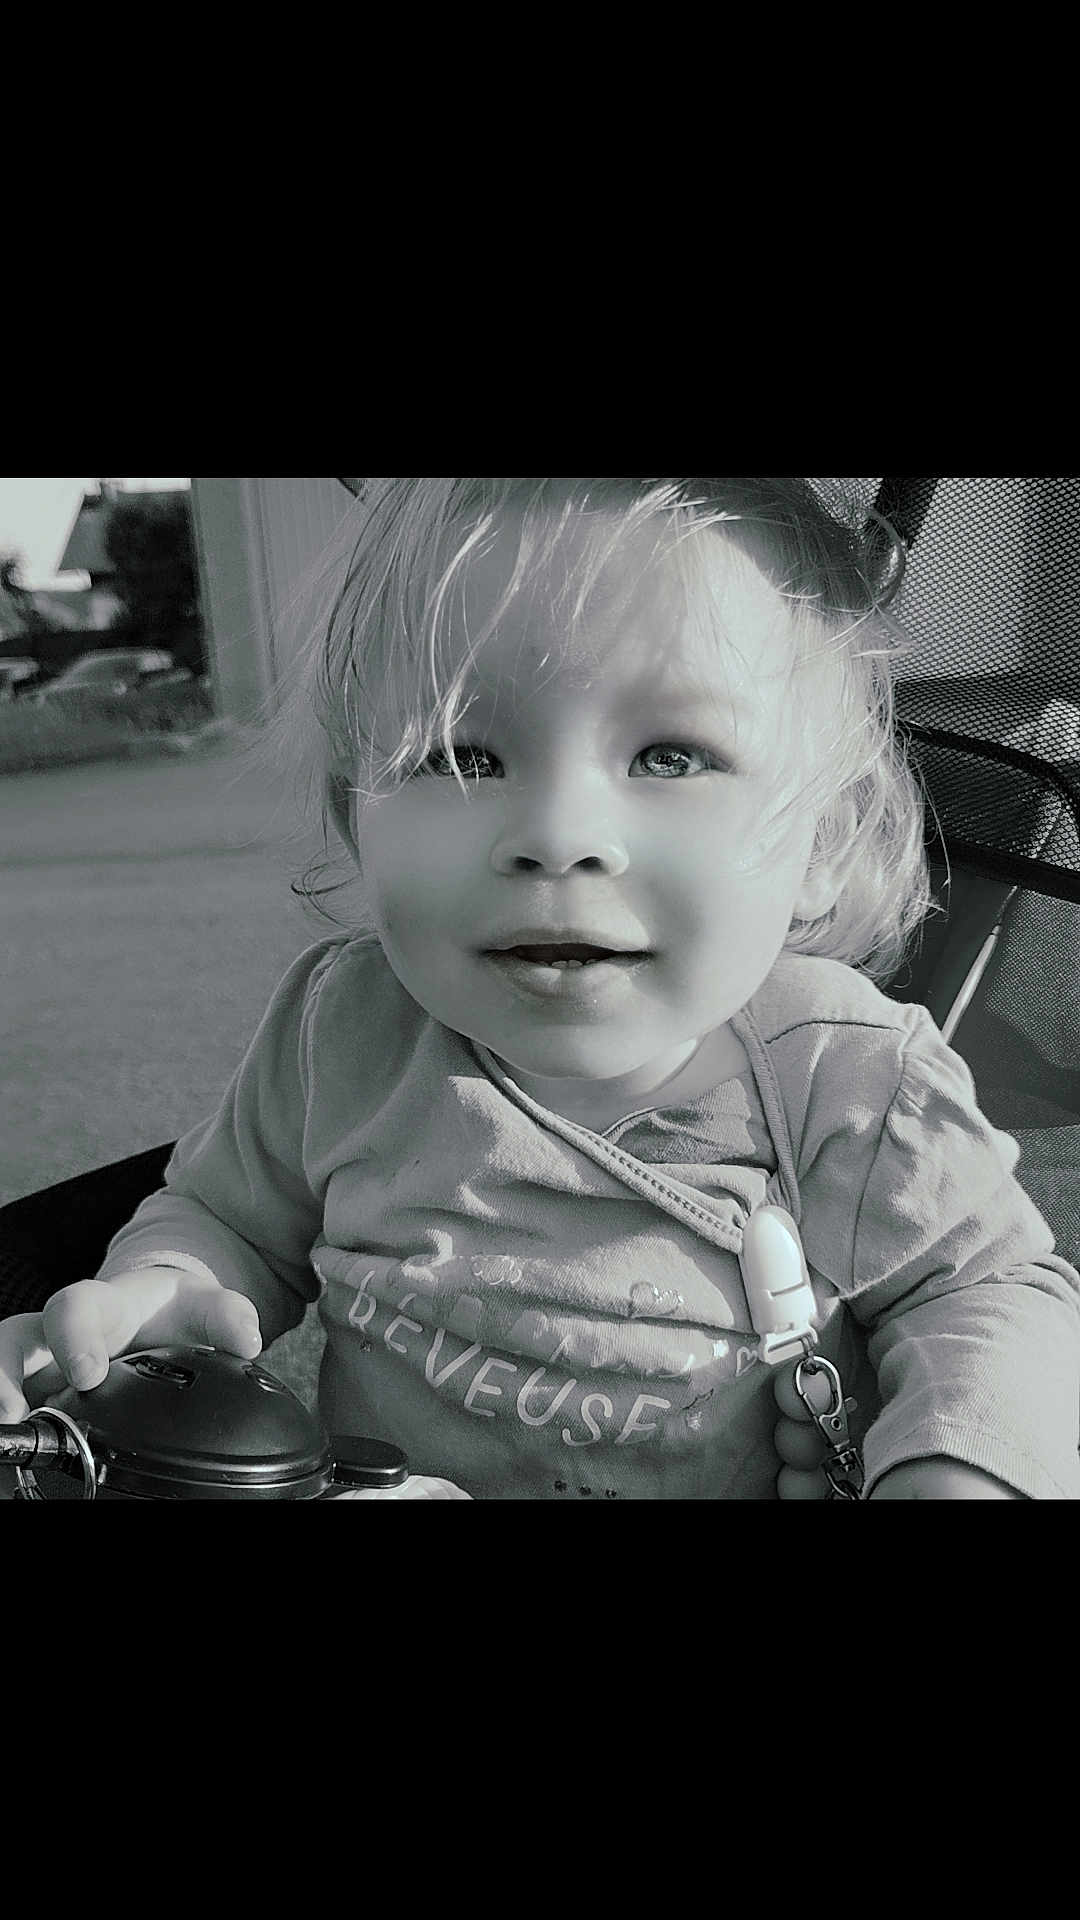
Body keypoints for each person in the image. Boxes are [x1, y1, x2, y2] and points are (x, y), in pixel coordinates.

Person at [3, 477, 1079, 1499]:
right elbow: (226, 1217)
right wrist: (174, 1281)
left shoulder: (849, 1078)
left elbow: (986, 1292)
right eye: (460, 755)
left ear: (825, 844)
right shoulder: (345, 1035)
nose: (557, 838)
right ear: (354, 819)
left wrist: (963, 1461)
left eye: (670, 757)